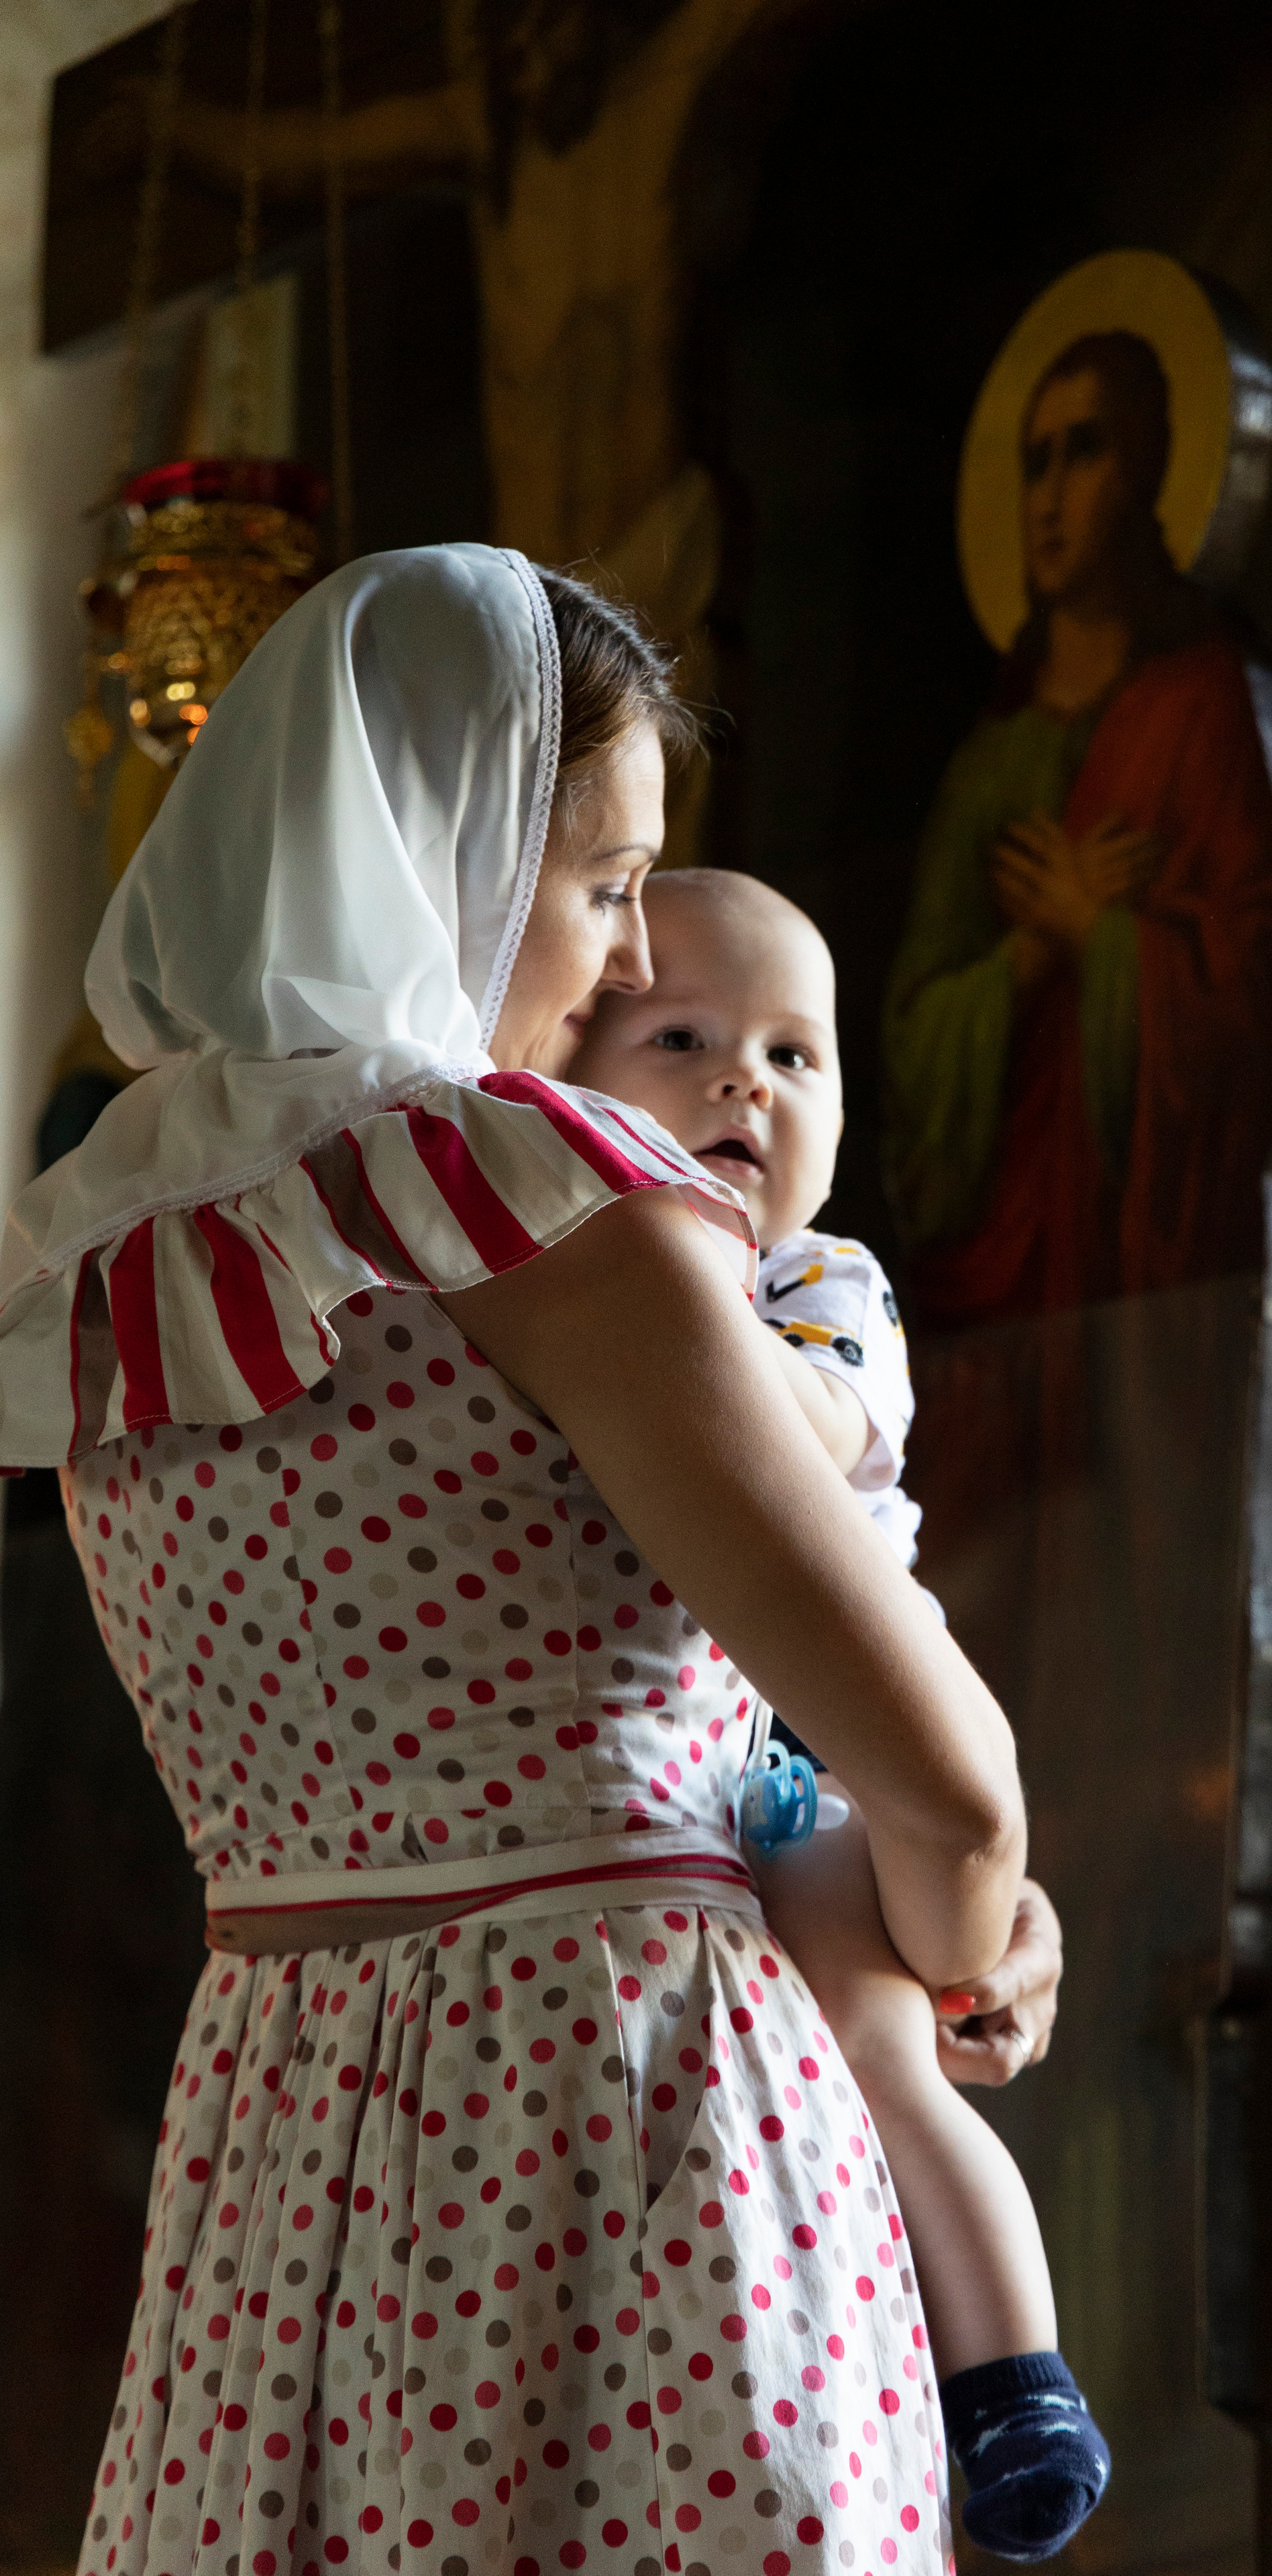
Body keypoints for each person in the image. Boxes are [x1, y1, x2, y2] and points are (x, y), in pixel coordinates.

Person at [0, 545, 1054, 2576]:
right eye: (604, 881)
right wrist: (966, 1938)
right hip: (626, 2114)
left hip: (277, 2156)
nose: (632, 948)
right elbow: (949, 1782)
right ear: (453, 857)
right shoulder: (543, 1199)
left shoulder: (119, 1246)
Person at [571, 871, 1111, 2561]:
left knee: (885, 2050)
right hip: (667, 1804)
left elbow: (805, 1429)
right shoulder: (562, 1262)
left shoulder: (819, 1283)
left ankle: (1013, 2379)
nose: (746, 1080)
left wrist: (674, 1321)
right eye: (682, 1039)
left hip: (813, 1763)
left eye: (793, 1056)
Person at [882, 329, 1272, 1328]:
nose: (1051, 499)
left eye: (1086, 452)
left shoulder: (1206, 712)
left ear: (1147, 473)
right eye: (1036, 463)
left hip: (1149, 1268)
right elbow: (911, 1038)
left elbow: (1259, 989)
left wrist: (1099, 935)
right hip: (996, 1282)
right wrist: (1031, 954)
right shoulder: (989, 764)